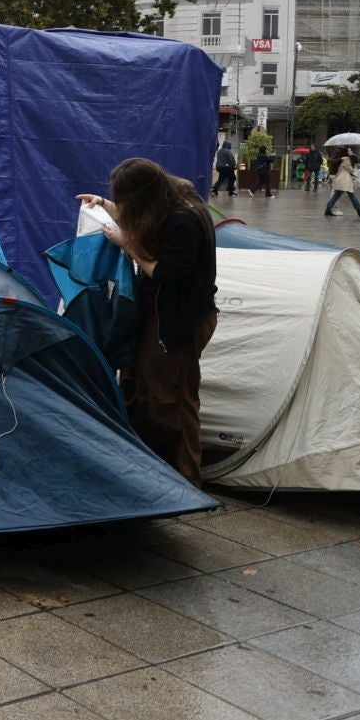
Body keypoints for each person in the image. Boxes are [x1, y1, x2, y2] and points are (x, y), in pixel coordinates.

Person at [77, 159, 217, 485]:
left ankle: (187, 481)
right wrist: (104, 205)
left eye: (126, 203)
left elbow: (168, 274)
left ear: (144, 198)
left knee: (176, 402)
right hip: (157, 315)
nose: (124, 211)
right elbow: (139, 217)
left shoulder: (184, 218)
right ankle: (148, 473)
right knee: (140, 390)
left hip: (180, 321)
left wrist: (127, 245)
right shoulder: (170, 200)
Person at [325, 150, 360, 217]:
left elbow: (356, 161)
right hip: (344, 179)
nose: (350, 152)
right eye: (349, 151)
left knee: (337, 195)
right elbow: (349, 168)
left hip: (343, 179)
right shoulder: (346, 158)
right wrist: (354, 172)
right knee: (351, 195)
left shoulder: (347, 158)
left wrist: (353, 155)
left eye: (351, 151)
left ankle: (328, 209)